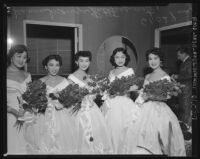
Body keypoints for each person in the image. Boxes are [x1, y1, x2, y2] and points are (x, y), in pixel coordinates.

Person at [126, 48, 186, 156]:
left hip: (159, 110)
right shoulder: (148, 76)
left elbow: (166, 96)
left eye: (155, 58)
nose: (153, 61)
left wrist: (149, 96)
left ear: (161, 60)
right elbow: (143, 92)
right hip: (144, 109)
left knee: (158, 140)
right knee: (139, 138)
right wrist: (140, 94)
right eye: (150, 59)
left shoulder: (165, 76)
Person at [27, 54, 78, 154]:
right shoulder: (40, 82)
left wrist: (64, 101)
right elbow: (34, 101)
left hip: (63, 117)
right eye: (51, 65)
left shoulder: (65, 81)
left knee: (63, 143)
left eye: (57, 65)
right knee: (44, 143)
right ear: (46, 66)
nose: (54, 68)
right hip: (45, 116)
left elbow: (71, 99)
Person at [68, 51, 113, 154]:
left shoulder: (91, 78)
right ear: (76, 62)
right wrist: (81, 98)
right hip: (79, 111)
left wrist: (98, 92)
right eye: (81, 61)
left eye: (87, 61)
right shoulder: (71, 78)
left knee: (96, 135)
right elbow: (70, 96)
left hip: (92, 110)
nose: (84, 63)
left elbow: (96, 95)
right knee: (80, 137)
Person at [100, 47, 140, 154]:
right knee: (112, 129)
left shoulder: (129, 70)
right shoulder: (111, 72)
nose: (120, 59)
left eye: (122, 57)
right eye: (117, 57)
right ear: (114, 59)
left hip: (124, 103)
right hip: (111, 103)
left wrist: (122, 89)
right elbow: (108, 88)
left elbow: (135, 87)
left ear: (126, 58)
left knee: (124, 129)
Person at [7, 44, 32, 154]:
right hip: (10, 116)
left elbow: (30, 97)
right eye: (19, 56)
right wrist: (14, 112)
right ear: (11, 56)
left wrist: (27, 108)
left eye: (25, 57)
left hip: (27, 116)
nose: (22, 60)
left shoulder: (27, 75)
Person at [172, 46, 192, 130]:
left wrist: (177, 76)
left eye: (179, 55)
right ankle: (184, 128)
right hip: (183, 90)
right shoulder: (184, 62)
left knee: (186, 108)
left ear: (184, 54)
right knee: (183, 109)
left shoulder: (190, 62)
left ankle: (187, 129)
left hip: (187, 90)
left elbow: (191, 75)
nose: (178, 57)